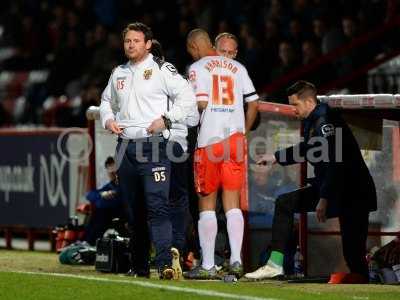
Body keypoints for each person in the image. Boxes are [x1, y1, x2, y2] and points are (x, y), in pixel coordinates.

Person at [244, 80, 377, 282]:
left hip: (353, 192)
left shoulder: (325, 121)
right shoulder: (312, 119)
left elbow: (335, 163)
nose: (293, 110)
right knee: (284, 203)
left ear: (308, 102)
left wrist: (324, 199)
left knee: (353, 254)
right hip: (333, 187)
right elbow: (307, 149)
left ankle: (364, 283)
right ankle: (274, 264)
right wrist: (276, 157)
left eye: (295, 105)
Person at [99, 22, 197, 279]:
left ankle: (164, 263)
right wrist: (108, 119)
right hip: (125, 147)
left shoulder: (161, 69)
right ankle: (140, 266)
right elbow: (106, 101)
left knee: (158, 206)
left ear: (148, 44)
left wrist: (166, 119)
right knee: (133, 211)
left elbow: (187, 97)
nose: (130, 45)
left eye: (135, 41)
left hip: (153, 146)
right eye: (127, 41)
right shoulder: (118, 73)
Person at [184, 29, 259, 279]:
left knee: (206, 203)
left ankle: (207, 265)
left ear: (195, 47)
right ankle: (236, 260)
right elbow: (254, 103)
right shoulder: (238, 68)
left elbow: (201, 103)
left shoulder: (198, 67)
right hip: (235, 140)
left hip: (210, 140)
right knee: (232, 203)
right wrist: (244, 132)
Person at [150, 39, 200, 265]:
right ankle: (175, 249)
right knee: (178, 199)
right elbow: (193, 118)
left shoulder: (142, 81)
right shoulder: (180, 81)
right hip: (178, 146)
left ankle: (159, 251)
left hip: (150, 145)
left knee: (155, 198)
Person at [83, 156, 126, 245]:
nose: (112, 174)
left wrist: (113, 194)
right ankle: (87, 242)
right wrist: (101, 195)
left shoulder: (125, 183)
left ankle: (90, 243)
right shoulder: (109, 186)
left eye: (114, 171)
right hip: (110, 214)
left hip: (124, 213)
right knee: (97, 212)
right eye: (110, 172)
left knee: (101, 212)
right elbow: (90, 195)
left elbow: (122, 197)